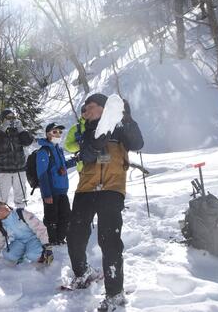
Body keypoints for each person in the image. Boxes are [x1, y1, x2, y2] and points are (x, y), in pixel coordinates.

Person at [66, 93, 144, 311]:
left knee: (108, 240)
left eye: (89, 107)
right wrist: (96, 139)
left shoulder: (119, 128)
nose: (85, 111)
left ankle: (114, 293)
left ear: (103, 108)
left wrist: (127, 118)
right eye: (84, 109)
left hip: (112, 188)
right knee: (74, 236)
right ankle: (83, 273)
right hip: (85, 188)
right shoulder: (85, 131)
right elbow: (88, 156)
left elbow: (137, 143)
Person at [36, 122, 76, 245]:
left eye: (59, 132)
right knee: (52, 218)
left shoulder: (58, 149)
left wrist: (76, 160)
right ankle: (52, 241)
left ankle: (60, 239)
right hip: (51, 192)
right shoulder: (44, 151)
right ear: (48, 134)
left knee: (65, 216)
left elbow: (63, 165)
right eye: (55, 132)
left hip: (62, 190)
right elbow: (42, 174)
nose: (58, 134)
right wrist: (47, 194)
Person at [0, 109, 34, 208]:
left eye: (13, 118)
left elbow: (28, 142)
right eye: (8, 118)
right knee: (1, 198)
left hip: (20, 169)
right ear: (2, 119)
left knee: (21, 197)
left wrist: (22, 130)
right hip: (4, 170)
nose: (11, 120)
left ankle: (21, 215)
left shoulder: (19, 132)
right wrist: (2, 130)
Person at [0, 201, 53, 265]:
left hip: (33, 239)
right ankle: (21, 255)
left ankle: (43, 257)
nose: (2, 209)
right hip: (18, 242)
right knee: (9, 255)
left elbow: (39, 227)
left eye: (0, 206)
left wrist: (46, 244)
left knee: (33, 255)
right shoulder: (2, 226)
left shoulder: (20, 213)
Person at [64, 105, 87, 172]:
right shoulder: (75, 128)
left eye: (88, 111)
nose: (86, 113)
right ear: (81, 113)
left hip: (100, 166)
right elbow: (67, 146)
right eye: (84, 111)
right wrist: (79, 145)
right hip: (82, 168)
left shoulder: (99, 126)